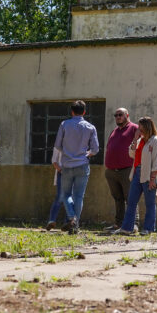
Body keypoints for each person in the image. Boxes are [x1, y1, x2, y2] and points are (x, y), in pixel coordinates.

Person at [53, 100, 98, 234]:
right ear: (84, 112)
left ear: (72, 111)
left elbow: (57, 145)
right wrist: (87, 153)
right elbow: (95, 149)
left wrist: (67, 151)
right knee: (79, 196)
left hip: (66, 165)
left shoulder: (64, 124)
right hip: (82, 165)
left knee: (66, 194)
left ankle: (71, 217)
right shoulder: (90, 127)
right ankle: (75, 225)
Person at [114, 116, 157, 236]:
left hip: (149, 175)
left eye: (141, 129)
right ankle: (127, 228)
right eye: (138, 129)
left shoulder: (156, 141)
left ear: (147, 128)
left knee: (150, 203)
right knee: (131, 201)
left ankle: (148, 228)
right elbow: (131, 154)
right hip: (137, 173)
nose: (139, 131)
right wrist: (135, 140)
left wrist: (153, 179)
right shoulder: (141, 141)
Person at [103, 107, 138, 231]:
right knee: (118, 198)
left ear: (127, 115)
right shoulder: (114, 131)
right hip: (112, 171)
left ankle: (133, 224)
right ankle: (118, 224)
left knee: (130, 197)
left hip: (127, 169)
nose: (118, 117)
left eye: (120, 115)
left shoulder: (134, 128)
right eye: (116, 115)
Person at [46, 147, 64, 230]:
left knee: (72, 197)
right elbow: (54, 160)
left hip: (73, 172)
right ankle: (52, 220)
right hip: (62, 173)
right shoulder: (58, 144)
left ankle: (68, 222)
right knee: (59, 197)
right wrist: (60, 170)